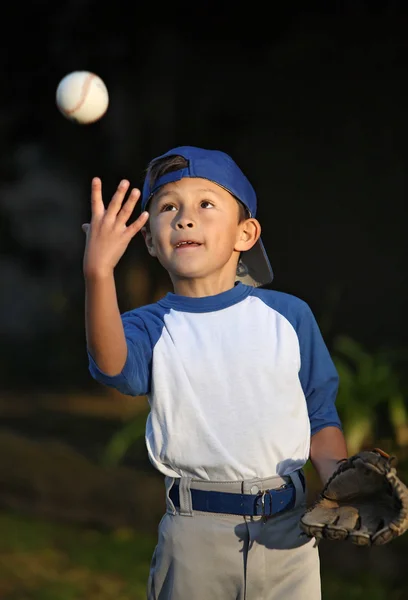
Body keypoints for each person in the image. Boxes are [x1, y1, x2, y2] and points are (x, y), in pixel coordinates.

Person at [82, 145, 348, 600]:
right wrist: (98, 274)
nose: (185, 218)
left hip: (289, 533)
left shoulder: (289, 316)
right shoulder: (150, 325)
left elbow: (319, 416)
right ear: (149, 241)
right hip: (194, 537)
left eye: (206, 203)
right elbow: (112, 366)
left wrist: (345, 484)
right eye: (167, 207)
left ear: (245, 233)